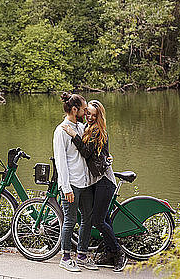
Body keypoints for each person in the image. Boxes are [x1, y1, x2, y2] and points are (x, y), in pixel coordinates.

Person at [62, 99, 128, 272]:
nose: (89, 116)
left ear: (99, 116)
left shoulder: (97, 130)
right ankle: (109, 253)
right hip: (95, 182)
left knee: (97, 221)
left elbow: (85, 151)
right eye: (87, 113)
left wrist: (72, 134)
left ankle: (119, 253)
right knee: (104, 219)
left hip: (104, 182)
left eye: (93, 114)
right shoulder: (86, 128)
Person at [53, 92, 97, 272]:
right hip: (71, 185)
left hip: (85, 183)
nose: (86, 112)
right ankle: (65, 257)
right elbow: (60, 161)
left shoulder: (80, 127)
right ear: (74, 109)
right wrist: (65, 187)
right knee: (70, 221)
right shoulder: (61, 131)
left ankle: (82, 255)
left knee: (87, 219)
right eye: (84, 109)